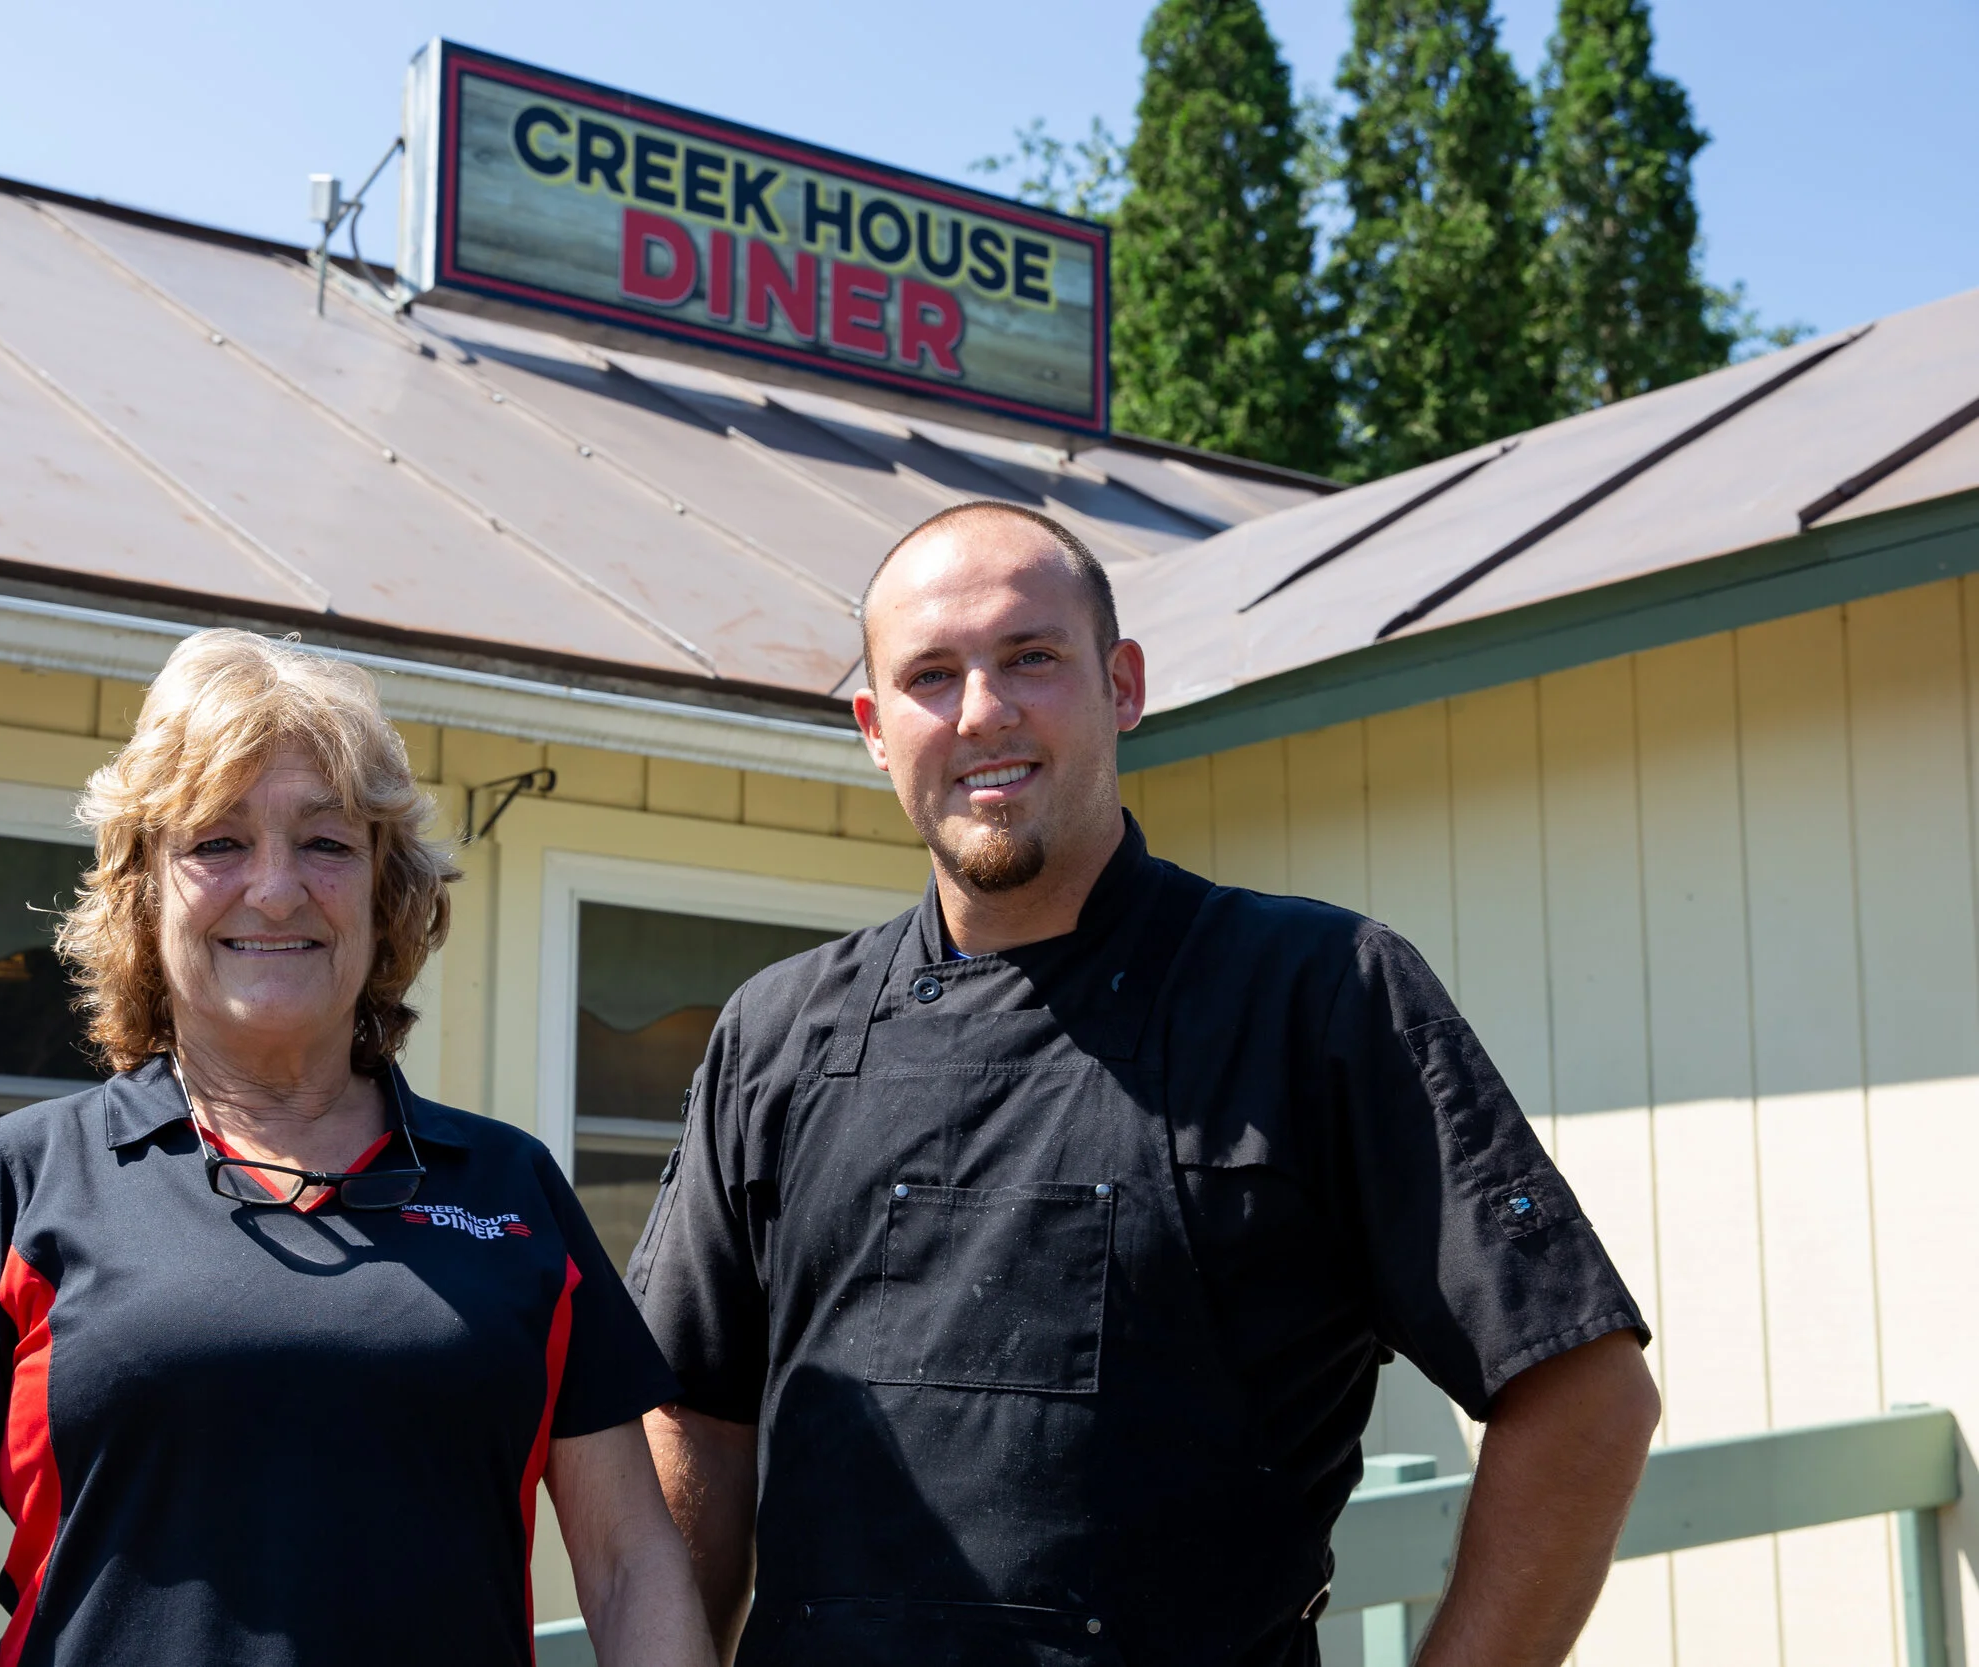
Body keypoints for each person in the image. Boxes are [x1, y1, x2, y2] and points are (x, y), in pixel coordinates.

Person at [628, 503, 1662, 1666]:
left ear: (1121, 683)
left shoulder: (1314, 996)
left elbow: (1584, 1395)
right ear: (874, 727)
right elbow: (695, 1423)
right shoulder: (777, 1034)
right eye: (930, 675)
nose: (982, 712)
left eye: (1031, 657)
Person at [0, 630, 711, 1667]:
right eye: (218, 842)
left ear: (386, 890)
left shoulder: (512, 1189)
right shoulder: (21, 1182)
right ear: (142, 887)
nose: (277, 888)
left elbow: (629, 1566)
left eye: (326, 842)